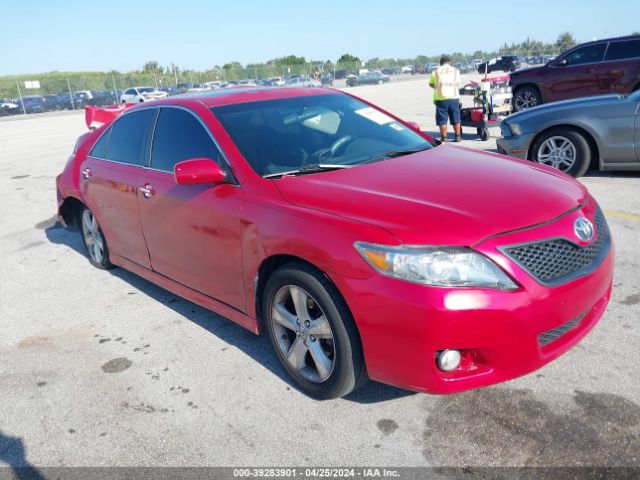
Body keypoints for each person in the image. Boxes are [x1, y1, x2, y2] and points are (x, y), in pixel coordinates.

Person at [429, 56, 462, 142]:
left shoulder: (436, 72)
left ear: (441, 63)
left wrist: (437, 86)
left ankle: (443, 138)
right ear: (450, 62)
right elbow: (457, 83)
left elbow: (431, 84)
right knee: (455, 117)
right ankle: (458, 136)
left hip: (441, 98)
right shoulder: (456, 71)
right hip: (454, 97)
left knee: (442, 119)